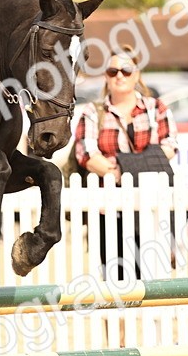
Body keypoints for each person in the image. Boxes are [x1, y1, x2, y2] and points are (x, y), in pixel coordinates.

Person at [74, 51, 178, 281]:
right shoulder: (93, 112)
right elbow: (86, 154)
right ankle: (118, 318)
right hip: (107, 205)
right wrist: (121, 172)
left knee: (152, 268)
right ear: (106, 76)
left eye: (126, 71)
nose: (119, 76)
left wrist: (128, 168)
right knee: (114, 269)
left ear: (136, 75)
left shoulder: (156, 108)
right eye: (113, 71)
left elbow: (170, 145)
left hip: (151, 202)